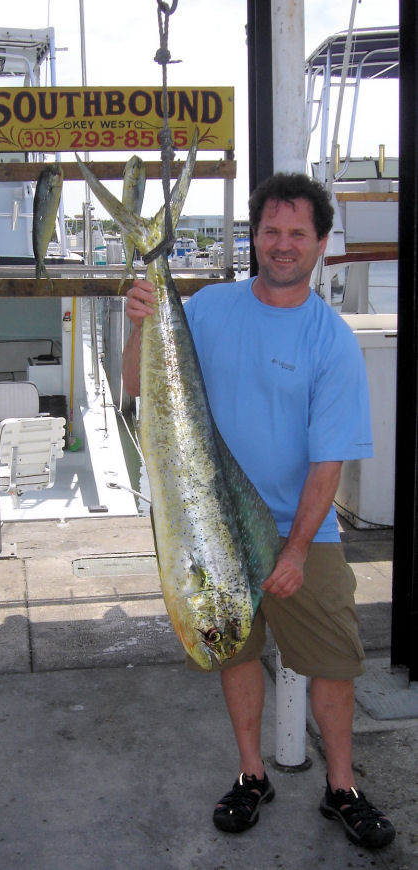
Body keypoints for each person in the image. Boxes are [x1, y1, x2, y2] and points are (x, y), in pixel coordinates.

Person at [122, 172, 395, 850]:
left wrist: (299, 550)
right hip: (212, 523)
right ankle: (251, 775)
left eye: (296, 233)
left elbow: (328, 461)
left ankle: (342, 786)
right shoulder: (208, 309)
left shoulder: (330, 340)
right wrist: (138, 324)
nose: (282, 245)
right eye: (270, 231)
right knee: (233, 651)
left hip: (302, 530)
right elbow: (135, 385)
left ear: (320, 244)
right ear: (254, 238)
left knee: (334, 661)